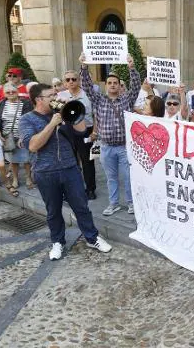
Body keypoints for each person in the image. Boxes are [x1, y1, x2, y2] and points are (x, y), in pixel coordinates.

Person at [19, 84, 112, 260]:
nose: (55, 97)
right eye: (51, 96)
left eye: (56, 94)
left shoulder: (63, 113)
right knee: (53, 210)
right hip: (45, 171)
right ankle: (58, 242)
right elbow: (32, 145)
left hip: (70, 168)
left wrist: (73, 109)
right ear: (39, 99)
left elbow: (82, 130)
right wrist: (52, 124)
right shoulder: (27, 119)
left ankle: (92, 237)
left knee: (81, 207)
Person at [79, 53, 140, 216]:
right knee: (111, 178)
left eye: (116, 83)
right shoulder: (99, 100)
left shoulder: (127, 99)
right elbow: (86, 86)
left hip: (123, 147)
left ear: (120, 86)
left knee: (127, 177)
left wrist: (131, 68)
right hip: (105, 147)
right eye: (110, 83)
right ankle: (114, 204)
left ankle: (131, 203)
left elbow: (135, 86)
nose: (113, 85)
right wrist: (84, 67)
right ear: (105, 86)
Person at [57, 70, 96, 200]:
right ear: (64, 83)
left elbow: (97, 115)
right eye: (68, 80)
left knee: (87, 161)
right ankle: (72, 189)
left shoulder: (88, 95)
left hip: (86, 130)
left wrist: (95, 132)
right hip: (67, 131)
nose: (71, 82)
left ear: (78, 81)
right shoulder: (60, 96)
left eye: (74, 79)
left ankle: (90, 189)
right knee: (70, 161)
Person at [0, 83, 34, 189]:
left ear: (17, 92)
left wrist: (23, 136)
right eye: (8, 92)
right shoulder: (0, 104)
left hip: (22, 134)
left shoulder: (26, 103)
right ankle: (15, 179)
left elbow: (28, 120)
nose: (11, 93)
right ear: (4, 94)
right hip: (7, 136)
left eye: (13, 91)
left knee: (26, 159)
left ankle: (28, 177)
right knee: (12, 160)